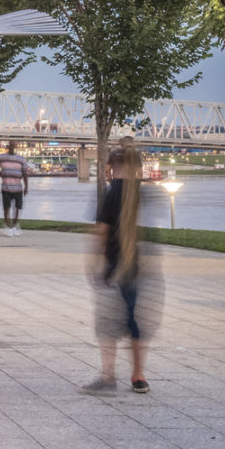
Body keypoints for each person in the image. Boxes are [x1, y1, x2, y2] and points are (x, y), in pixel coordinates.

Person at [85, 139, 152, 394]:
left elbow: (103, 231)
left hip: (114, 264)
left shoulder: (112, 193)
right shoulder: (137, 192)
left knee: (107, 323)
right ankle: (138, 376)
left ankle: (108, 376)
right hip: (133, 264)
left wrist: (96, 261)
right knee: (133, 320)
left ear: (111, 167)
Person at [0, 144, 32, 234]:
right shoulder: (1, 157)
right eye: (10, 146)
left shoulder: (21, 159)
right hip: (5, 188)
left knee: (17, 208)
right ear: (8, 147)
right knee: (6, 208)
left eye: (13, 146)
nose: (12, 148)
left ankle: (14, 226)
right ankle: (8, 227)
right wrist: (1, 174)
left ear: (15, 147)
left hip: (18, 188)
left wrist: (26, 187)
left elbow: (25, 174)